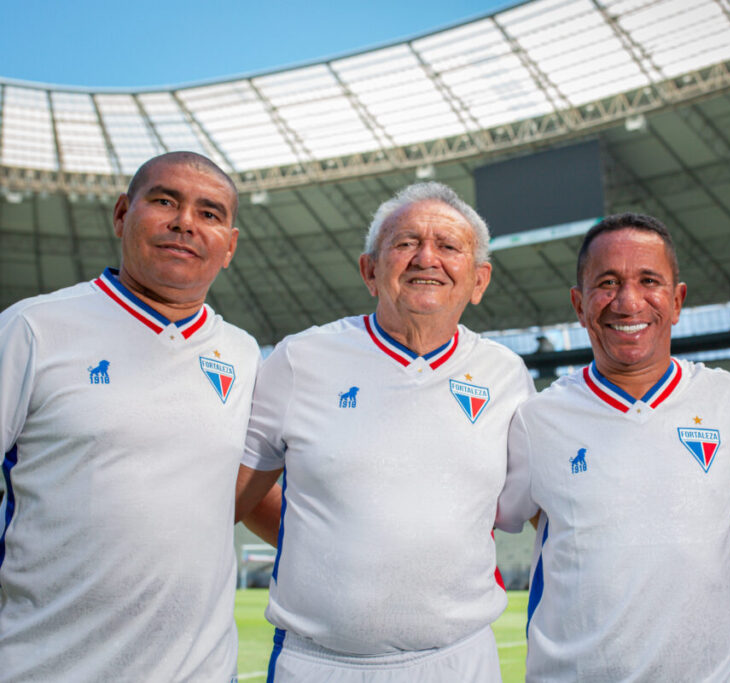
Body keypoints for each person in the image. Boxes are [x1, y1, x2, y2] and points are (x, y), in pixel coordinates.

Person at [235, 182, 534, 682]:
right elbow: (236, 496)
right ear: (370, 271)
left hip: (459, 663)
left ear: (479, 281)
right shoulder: (300, 360)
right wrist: (318, 544)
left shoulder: (506, 376)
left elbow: (542, 510)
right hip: (317, 665)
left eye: (448, 246)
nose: (426, 258)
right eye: (405, 242)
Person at [0, 151, 260, 681]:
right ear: (122, 215)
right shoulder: (33, 329)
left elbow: (250, 486)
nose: (185, 222)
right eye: (165, 201)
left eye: (209, 213)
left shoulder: (244, 353)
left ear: (229, 246)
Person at [495, 213, 730, 681]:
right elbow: (508, 519)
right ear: (579, 304)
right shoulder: (537, 421)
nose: (628, 301)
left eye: (649, 280)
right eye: (607, 282)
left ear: (677, 301)